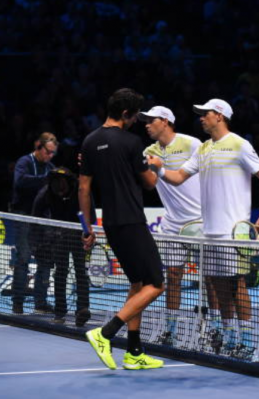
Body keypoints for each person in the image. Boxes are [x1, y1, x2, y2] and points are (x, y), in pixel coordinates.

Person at [149, 99, 259, 360]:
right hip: (209, 232)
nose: (200, 118)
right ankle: (230, 339)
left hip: (233, 231)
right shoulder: (204, 149)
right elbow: (179, 177)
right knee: (218, 287)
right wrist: (159, 170)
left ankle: (247, 342)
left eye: (204, 114)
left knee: (237, 285)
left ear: (219, 116)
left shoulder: (240, 144)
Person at [79, 88, 165, 370]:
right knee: (155, 285)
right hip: (132, 222)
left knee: (137, 284)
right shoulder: (131, 142)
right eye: (133, 117)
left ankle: (134, 351)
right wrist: (156, 165)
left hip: (111, 224)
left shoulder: (90, 141)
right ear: (125, 114)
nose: (135, 122)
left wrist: (88, 228)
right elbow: (149, 183)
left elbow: (84, 187)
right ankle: (105, 333)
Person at [140, 105, 222, 348]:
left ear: (165, 121)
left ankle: (216, 329)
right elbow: (149, 184)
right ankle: (171, 330)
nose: (146, 124)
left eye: (150, 120)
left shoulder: (192, 143)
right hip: (172, 225)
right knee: (173, 277)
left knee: (210, 279)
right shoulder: (148, 151)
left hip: (201, 221)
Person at [31, 166, 95, 327]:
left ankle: (82, 310)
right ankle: (60, 312)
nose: (59, 189)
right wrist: (39, 242)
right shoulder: (46, 193)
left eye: (62, 186)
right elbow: (35, 218)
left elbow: (91, 215)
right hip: (58, 237)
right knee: (60, 273)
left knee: (81, 273)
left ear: (68, 183)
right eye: (56, 185)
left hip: (78, 235)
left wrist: (87, 233)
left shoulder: (80, 191)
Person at [10, 132, 58, 315]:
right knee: (23, 259)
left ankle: (41, 302)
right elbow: (20, 182)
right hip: (23, 216)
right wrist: (46, 181)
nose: (50, 156)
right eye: (48, 152)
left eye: (53, 153)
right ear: (38, 146)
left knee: (45, 260)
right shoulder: (25, 162)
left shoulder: (50, 167)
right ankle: (18, 303)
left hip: (42, 220)